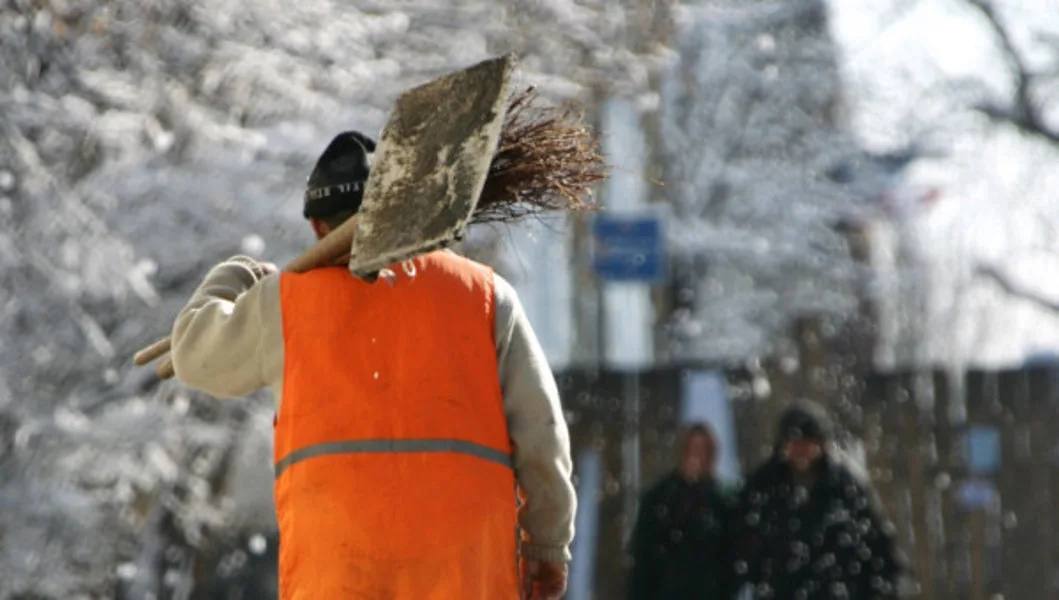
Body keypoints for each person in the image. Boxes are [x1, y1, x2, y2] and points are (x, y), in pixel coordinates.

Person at [169, 131, 576, 599]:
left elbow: (192, 353)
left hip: (339, 571)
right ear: (407, 213)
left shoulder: (282, 304)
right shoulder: (485, 296)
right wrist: (547, 544)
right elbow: (541, 432)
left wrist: (239, 274)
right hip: (465, 571)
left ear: (318, 228)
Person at [731, 402, 901, 599]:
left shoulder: (845, 488)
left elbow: (876, 547)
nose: (801, 450)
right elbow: (743, 545)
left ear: (821, 444)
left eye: (808, 442)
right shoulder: (762, 487)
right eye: (794, 442)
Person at [628, 423, 734, 599]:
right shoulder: (659, 499)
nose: (696, 457)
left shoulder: (722, 503)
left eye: (702, 451)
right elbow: (643, 560)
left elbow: (729, 560)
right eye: (692, 450)